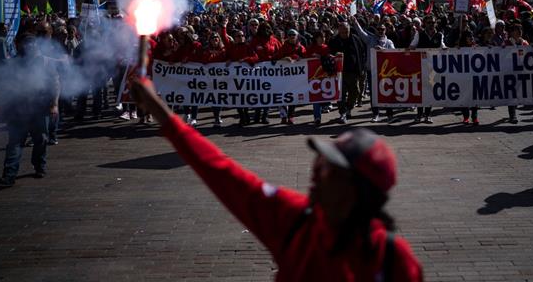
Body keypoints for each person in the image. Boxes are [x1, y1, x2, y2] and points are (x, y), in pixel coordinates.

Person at [129, 77, 424, 281]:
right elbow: (221, 172)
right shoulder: (293, 221)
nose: (316, 171)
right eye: (320, 160)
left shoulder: (393, 260)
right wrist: (160, 110)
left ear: (359, 190)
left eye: (330, 169)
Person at [0, 35, 59, 186]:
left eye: (32, 46)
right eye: (26, 45)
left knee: (41, 140)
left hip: (40, 107)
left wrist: (54, 104)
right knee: (15, 143)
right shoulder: (12, 63)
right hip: (18, 108)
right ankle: (9, 175)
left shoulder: (44, 62)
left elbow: (55, 82)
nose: (29, 48)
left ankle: (39, 165)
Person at [350, 17, 395, 123]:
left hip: (385, 72)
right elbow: (361, 33)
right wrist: (355, 22)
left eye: (382, 29)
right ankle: (376, 114)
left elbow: (394, 53)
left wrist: (383, 50)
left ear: (385, 30)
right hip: (372, 72)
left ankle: (389, 114)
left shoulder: (389, 42)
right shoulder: (370, 40)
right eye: (379, 29)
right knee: (374, 94)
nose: (380, 31)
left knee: (387, 93)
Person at [329, 21, 366, 124]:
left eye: (346, 31)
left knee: (356, 92)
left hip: (353, 72)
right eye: (342, 32)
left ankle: (348, 108)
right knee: (341, 94)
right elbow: (329, 55)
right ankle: (343, 113)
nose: (345, 34)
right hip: (340, 73)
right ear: (339, 32)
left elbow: (362, 53)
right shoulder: (334, 41)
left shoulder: (355, 39)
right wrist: (334, 56)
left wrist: (362, 67)